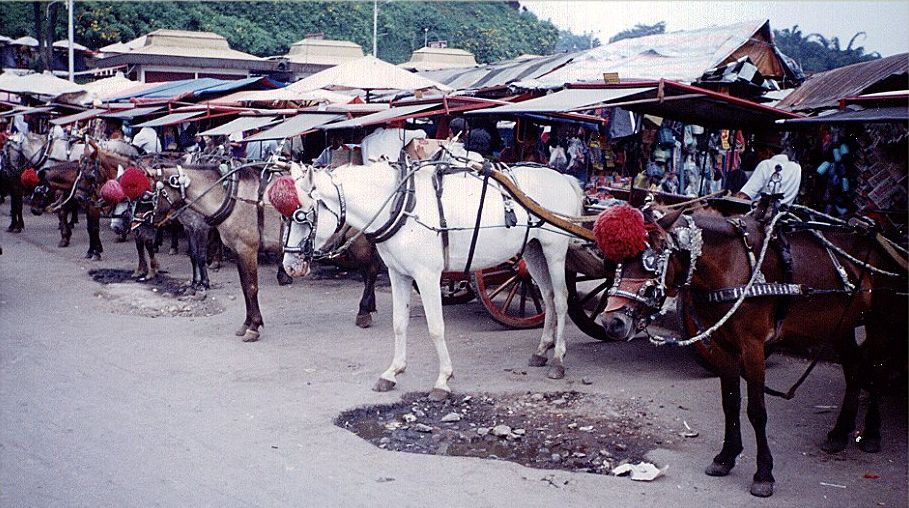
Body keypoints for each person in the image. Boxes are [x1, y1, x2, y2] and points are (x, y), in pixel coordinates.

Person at [736, 133, 801, 206]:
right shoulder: (797, 168)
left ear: (767, 151)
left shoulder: (766, 165)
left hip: (760, 214)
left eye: (758, 151)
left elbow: (743, 196)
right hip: (783, 214)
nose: (757, 156)